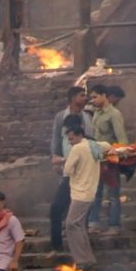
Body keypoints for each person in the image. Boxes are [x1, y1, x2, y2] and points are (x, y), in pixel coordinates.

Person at [50, 87, 92, 251]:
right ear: (73, 98)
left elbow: (92, 142)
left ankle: (83, 245)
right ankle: (57, 244)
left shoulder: (87, 118)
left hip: (81, 174)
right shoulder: (61, 117)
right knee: (58, 208)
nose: (86, 98)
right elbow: (55, 140)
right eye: (82, 95)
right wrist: (55, 159)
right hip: (67, 172)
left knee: (80, 214)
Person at [63, 120, 106, 270]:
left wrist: (70, 167)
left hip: (80, 193)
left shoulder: (78, 149)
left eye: (72, 138)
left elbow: (67, 170)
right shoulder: (94, 145)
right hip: (90, 192)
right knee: (79, 225)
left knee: (71, 224)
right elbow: (108, 146)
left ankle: (81, 260)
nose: (70, 142)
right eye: (69, 140)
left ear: (80, 135)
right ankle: (89, 258)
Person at [89, 84, 128, 231]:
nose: (92, 100)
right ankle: (94, 223)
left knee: (113, 194)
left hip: (111, 160)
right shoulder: (96, 113)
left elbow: (122, 140)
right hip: (96, 159)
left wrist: (118, 156)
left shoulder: (114, 114)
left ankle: (114, 224)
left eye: (95, 97)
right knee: (96, 193)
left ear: (104, 96)